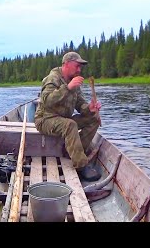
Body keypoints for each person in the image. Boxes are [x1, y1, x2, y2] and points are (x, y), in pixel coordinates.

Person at [34, 51, 102, 181]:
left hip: (63, 119)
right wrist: (67, 88)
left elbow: (80, 104)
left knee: (94, 118)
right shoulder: (52, 78)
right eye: (77, 66)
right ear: (66, 64)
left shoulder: (73, 81)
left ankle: (74, 151)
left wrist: (90, 108)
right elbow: (47, 100)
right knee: (70, 125)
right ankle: (81, 165)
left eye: (80, 67)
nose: (79, 69)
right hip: (45, 119)